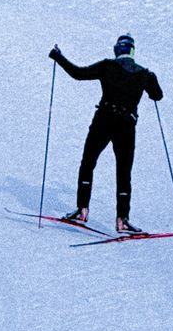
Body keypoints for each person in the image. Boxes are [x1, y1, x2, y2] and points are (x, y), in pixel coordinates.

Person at [49, 34, 163, 232]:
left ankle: (82, 210)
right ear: (132, 52)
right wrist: (149, 81)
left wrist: (58, 57)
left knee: (88, 162)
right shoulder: (145, 74)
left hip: (103, 120)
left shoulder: (107, 66)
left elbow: (78, 73)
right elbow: (157, 95)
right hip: (126, 125)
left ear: (116, 50)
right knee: (124, 171)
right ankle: (122, 220)